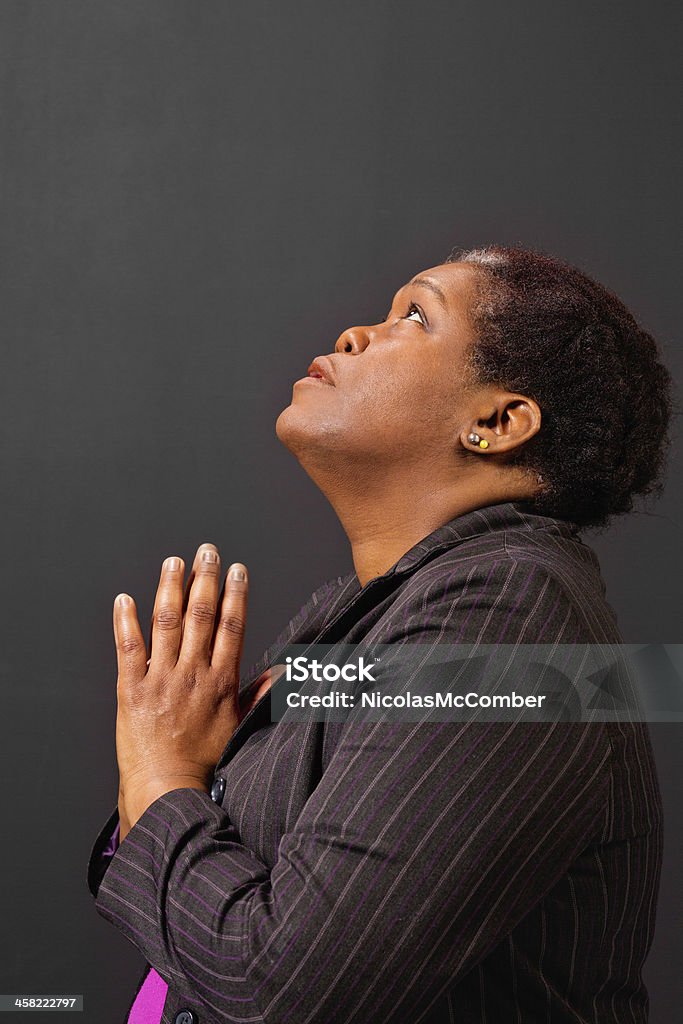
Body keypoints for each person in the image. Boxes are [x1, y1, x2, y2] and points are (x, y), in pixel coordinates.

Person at [87, 245, 671, 1023]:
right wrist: (178, 771)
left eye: (415, 316)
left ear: (496, 422)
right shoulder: (355, 619)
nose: (357, 334)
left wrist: (158, 777)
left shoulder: (507, 618)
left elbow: (284, 993)